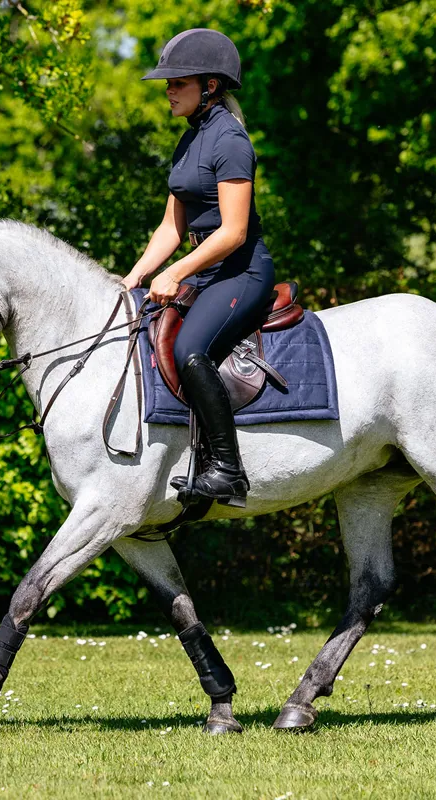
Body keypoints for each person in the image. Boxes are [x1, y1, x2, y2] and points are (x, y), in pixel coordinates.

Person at [121, 28, 275, 509]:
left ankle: (228, 470)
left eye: (176, 82)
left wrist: (176, 273)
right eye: (166, 84)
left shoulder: (230, 142)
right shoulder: (189, 142)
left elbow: (232, 232)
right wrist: (134, 277)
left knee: (190, 348)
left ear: (209, 85)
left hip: (242, 271)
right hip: (206, 270)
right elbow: (171, 226)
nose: (167, 90)